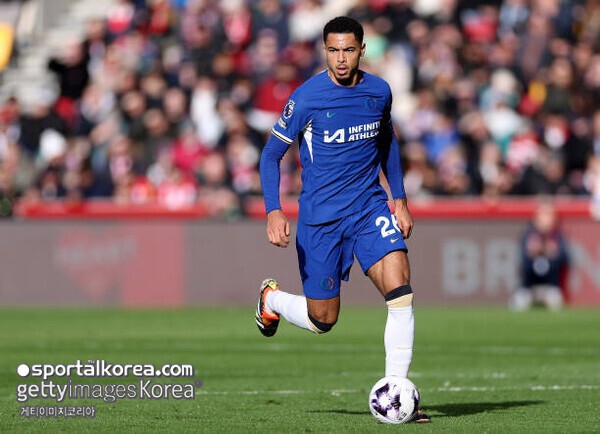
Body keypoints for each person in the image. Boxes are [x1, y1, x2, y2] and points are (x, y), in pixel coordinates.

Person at [255, 16, 429, 423]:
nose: (341, 58)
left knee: (400, 290)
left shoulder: (379, 92)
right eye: (333, 50)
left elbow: (387, 142)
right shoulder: (307, 98)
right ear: (324, 50)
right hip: (321, 221)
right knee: (323, 319)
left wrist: (399, 199)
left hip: (369, 209)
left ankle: (397, 392)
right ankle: (271, 300)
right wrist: (274, 210)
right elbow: (270, 155)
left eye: (348, 49)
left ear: (362, 49)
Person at [509, 200, 569, 311]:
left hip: (551, 285)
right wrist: (534, 251)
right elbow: (522, 259)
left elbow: (564, 258)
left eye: (549, 215)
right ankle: (525, 293)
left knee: (555, 302)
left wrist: (551, 252)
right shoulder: (528, 234)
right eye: (543, 215)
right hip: (529, 285)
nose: (546, 219)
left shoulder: (558, 235)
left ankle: (550, 294)